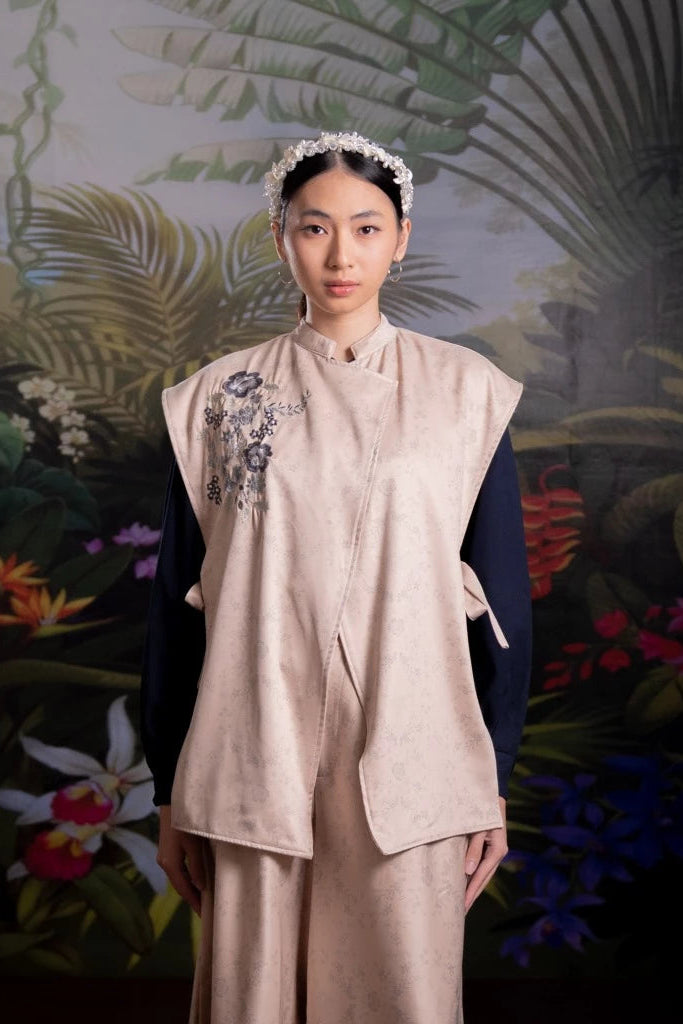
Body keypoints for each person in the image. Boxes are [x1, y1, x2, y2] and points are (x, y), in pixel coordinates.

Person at [141, 129, 532, 1024]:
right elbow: (176, 609)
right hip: (252, 752)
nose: (340, 253)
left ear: (400, 237)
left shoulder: (467, 392)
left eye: (365, 227)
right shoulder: (218, 400)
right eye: (315, 228)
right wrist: (171, 788)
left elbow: (500, 604)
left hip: (415, 756)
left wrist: (490, 779)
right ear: (281, 237)